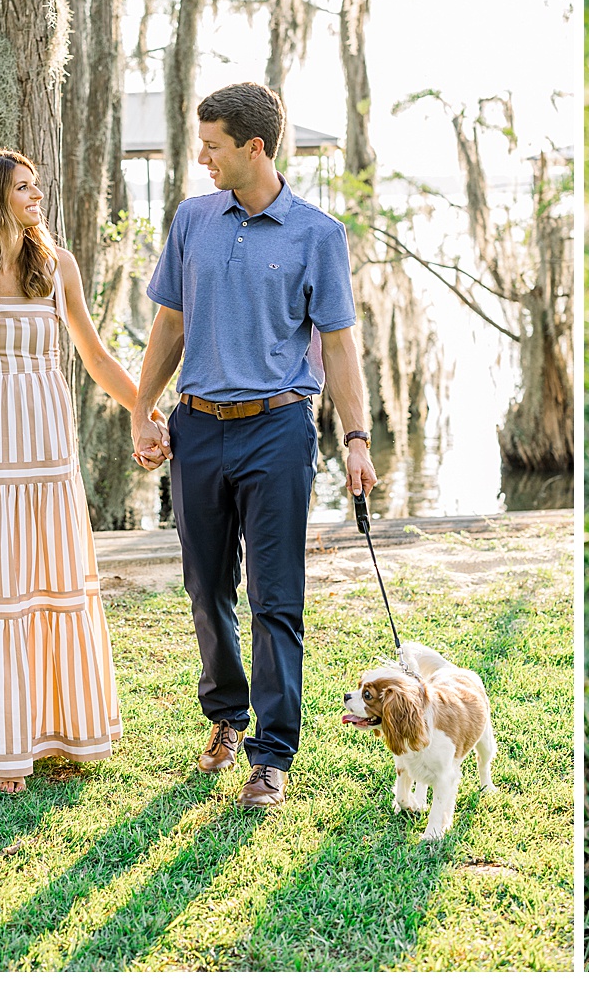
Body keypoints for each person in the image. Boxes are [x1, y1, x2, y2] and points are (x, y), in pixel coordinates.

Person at [132, 82, 378, 811]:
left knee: (275, 598)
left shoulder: (317, 234)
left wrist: (356, 437)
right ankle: (225, 719)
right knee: (207, 589)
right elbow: (169, 325)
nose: (202, 158)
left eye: (212, 146)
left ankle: (273, 755)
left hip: (278, 427)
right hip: (198, 425)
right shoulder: (191, 220)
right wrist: (144, 410)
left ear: (255, 147)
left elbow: (338, 344)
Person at [0, 150, 163, 794]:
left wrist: (145, 409)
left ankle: (63, 731)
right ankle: (8, 743)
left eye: (37, 185)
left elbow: (93, 353)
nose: (37, 196)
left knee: (56, 588)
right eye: (22, 188)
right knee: (1, 596)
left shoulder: (56, 266)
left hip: (48, 455)